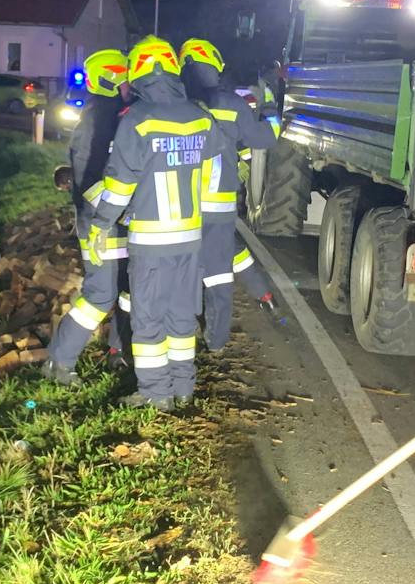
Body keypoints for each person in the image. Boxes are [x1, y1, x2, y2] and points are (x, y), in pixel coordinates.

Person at [85, 37, 227, 411]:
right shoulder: (200, 115)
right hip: (190, 238)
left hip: (151, 241)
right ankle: (184, 387)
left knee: (148, 318)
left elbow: (118, 185)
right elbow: (214, 174)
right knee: (182, 315)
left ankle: (154, 393)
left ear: (139, 73)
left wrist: (100, 224)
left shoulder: (137, 120)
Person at [178, 38, 281, 347]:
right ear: (215, 64)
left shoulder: (175, 104)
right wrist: (271, 107)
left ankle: (182, 332)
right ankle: (217, 341)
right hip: (219, 208)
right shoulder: (233, 104)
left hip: (179, 206)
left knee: (181, 269)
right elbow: (267, 137)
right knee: (220, 276)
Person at [42, 48, 133, 383]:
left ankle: (118, 351)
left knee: (127, 289)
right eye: (125, 78)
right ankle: (59, 363)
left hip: (116, 222)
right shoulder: (98, 120)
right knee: (100, 295)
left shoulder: (115, 114)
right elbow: (89, 180)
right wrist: (110, 215)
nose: (130, 85)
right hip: (101, 225)